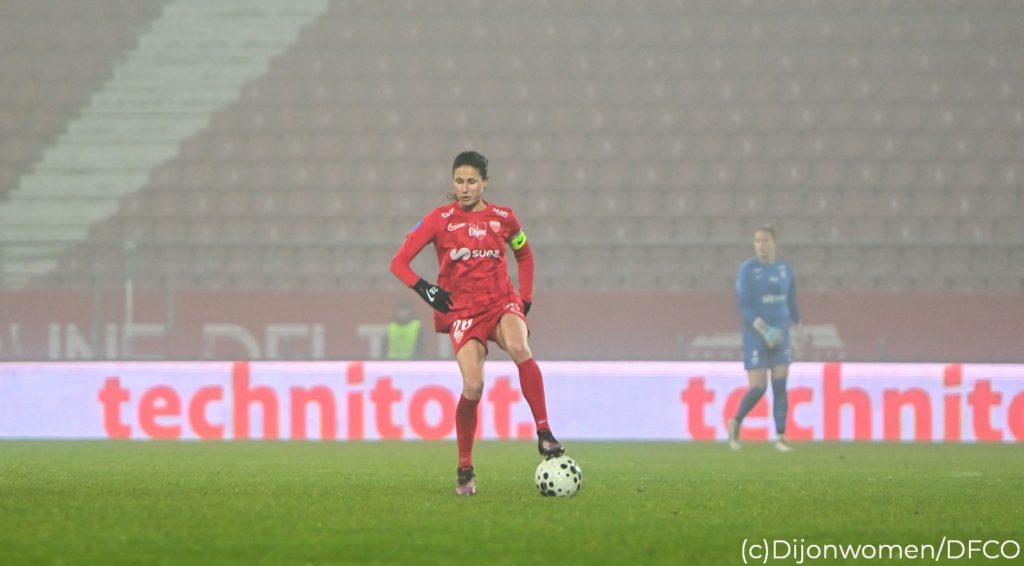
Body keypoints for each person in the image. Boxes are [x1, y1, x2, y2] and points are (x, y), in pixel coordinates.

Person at [390, 150, 565, 496]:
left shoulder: (504, 218)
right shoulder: (439, 219)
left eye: (471, 181)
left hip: (501, 303)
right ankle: (465, 468)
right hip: (463, 312)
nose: (465, 188)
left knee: (519, 346)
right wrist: (425, 289)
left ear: (485, 183)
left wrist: (525, 297)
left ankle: (544, 432)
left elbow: (525, 254)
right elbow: (399, 263)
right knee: (473, 386)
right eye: (459, 181)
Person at [728, 224, 801, 452]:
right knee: (758, 388)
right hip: (756, 336)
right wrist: (764, 330)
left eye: (765, 240)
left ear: (774, 243)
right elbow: (744, 305)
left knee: (780, 386)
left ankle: (780, 436)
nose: (761, 245)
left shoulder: (785, 270)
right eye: (757, 241)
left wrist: (798, 325)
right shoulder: (747, 270)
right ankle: (736, 421)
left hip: (781, 335)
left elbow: (791, 300)